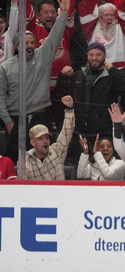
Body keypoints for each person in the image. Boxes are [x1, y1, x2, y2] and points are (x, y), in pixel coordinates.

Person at [0, 0, 70, 163]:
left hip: (40, 117)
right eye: (25, 43)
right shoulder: (5, 67)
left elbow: (55, 36)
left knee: (44, 162)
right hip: (16, 120)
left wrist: (64, 14)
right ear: (17, 46)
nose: (30, 45)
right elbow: (0, 100)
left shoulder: (43, 56)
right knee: (15, 163)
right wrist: (9, 123)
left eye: (32, 42)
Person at [55, 41, 120, 167]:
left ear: (105, 56)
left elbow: (123, 88)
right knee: (79, 171)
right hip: (79, 133)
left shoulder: (111, 76)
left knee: (103, 170)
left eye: (98, 55)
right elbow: (60, 93)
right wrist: (62, 76)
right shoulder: (78, 74)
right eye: (91, 55)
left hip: (103, 134)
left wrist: (112, 70)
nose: (94, 58)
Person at [25, 0, 76, 91]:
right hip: (39, 88)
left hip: (63, 86)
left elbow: (68, 8)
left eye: (53, 12)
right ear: (38, 15)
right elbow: (26, 8)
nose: (50, 15)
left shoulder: (63, 28)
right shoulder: (33, 27)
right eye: (46, 12)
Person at [25, 95, 75, 180]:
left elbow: (67, 132)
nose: (45, 141)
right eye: (40, 139)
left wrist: (70, 109)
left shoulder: (56, 151)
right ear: (32, 142)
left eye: (47, 137)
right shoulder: (25, 161)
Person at [79, 0, 125, 68]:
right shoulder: (93, 29)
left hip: (120, 71)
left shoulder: (123, 28)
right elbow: (88, 6)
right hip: (97, 70)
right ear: (100, 17)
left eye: (112, 15)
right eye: (106, 15)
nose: (109, 18)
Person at [0, 0, 18, 64]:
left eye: (2, 22)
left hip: (6, 73)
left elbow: (14, 21)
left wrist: (14, 4)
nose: (0, 25)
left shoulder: (8, 37)